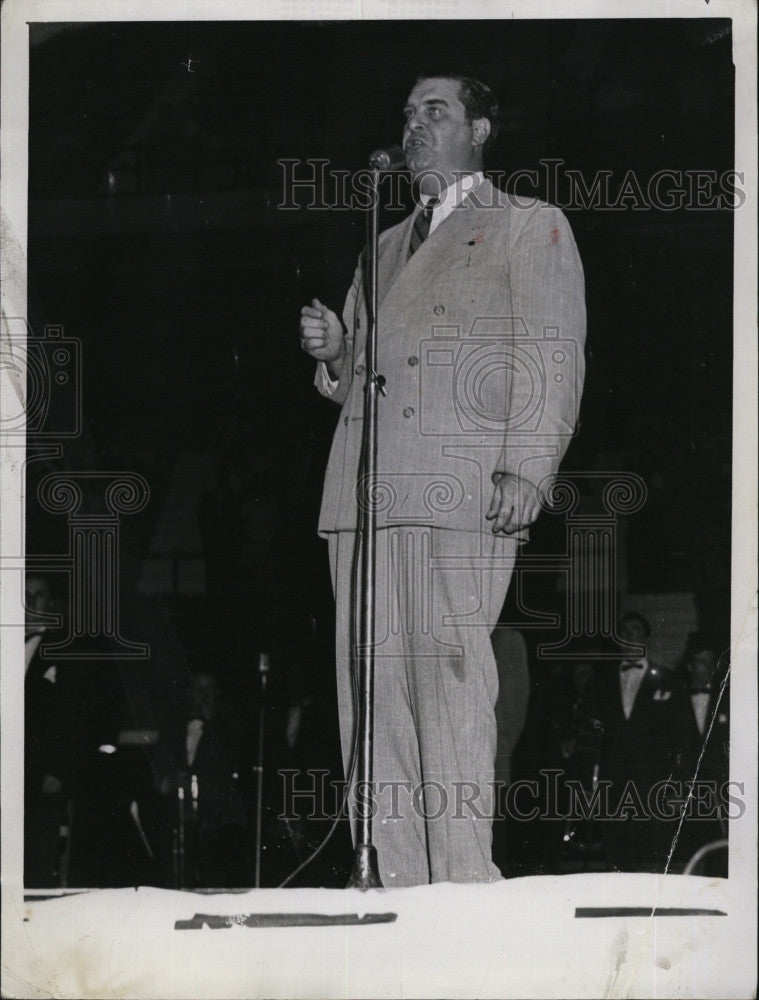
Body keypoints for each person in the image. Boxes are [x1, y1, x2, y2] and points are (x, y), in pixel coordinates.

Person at [299, 75, 586, 886]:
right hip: (363, 494)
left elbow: (553, 351)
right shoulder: (381, 245)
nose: (414, 126)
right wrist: (334, 353)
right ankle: (388, 880)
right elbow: (364, 372)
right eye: (407, 114)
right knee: (372, 693)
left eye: (436, 112)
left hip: (458, 485)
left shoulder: (527, 226)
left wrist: (528, 466)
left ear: (481, 129)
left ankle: (460, 885)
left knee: (447, 688)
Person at [580, 612, 686, 872]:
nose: (629, 636)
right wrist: (587, 783)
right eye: (624, 631)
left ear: (647, 637)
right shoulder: (599, 682)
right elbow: (589, 735)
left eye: (636, 630)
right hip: (613, 789)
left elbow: (682, 738)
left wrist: (678, 786)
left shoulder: (668, 681)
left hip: (654, 788)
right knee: (616, 861)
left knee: (653, 861)